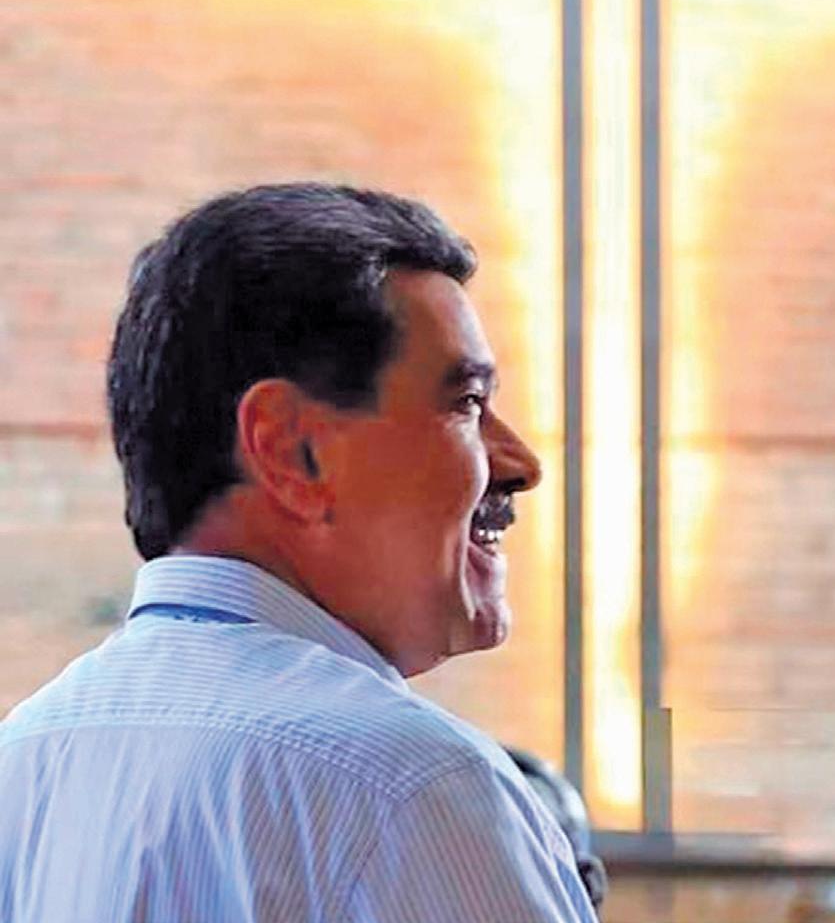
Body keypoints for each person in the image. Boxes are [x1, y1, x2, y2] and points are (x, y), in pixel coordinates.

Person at [0, 183, 598, 923]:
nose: (519, 463)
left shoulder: (25, 759)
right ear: (289, 448)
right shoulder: (410, 787)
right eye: (465, 404)